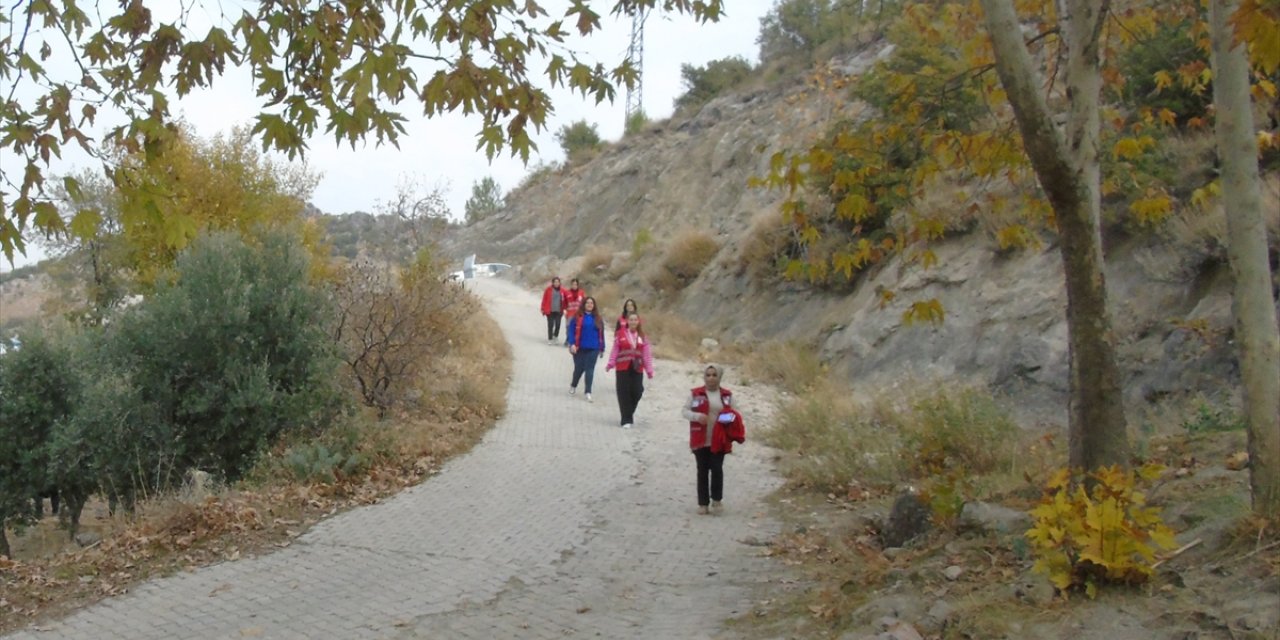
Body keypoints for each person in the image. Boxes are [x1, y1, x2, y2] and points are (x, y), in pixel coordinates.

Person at [681, 365, 746, 515]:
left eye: (714, 375)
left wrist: (720, 421)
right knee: (702, 470)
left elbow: (736, 414)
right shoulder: (695, 394)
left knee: (717, 469)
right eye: (708, 375)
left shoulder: (727, 396)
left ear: (719, 377)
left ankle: (717, 500)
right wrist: (697, 417)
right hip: (700, 439)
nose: (711, 378)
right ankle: (703, 503)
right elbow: (684, 411)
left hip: (719, 440)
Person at [604, 312, 654, 429]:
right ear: (627, 322)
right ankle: (626, 419)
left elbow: (646, 354)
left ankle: (628, 412)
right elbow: (615, 350)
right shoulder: (620, 334)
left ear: (638, 322)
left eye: (635, 320)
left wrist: (649, 370)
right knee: (623, 392)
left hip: (637, 367)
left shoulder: (642, 336)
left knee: (637, 391)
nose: (633, 322)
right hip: (623, 367)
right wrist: (610, 364)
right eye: (631, 320)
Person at [566, 296, 605, 402]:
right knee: (578, 369)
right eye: (587, 303)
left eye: (591, 303)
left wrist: (602, 348)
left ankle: (588, 391)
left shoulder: (598, 318)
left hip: (593, 348)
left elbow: (601, 334)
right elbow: (571, 331)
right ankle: (573, 385)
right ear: (584, 304)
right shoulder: (577, 316)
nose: (589, 305)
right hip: (579, 347)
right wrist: (572, 343)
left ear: (594, 305)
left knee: (590, 369)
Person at [539, 277, 565, 344]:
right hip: (550, 310)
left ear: (559, 283)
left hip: (559, 311)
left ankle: (555, 337)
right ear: (553, 283)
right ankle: (550, 339)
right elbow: (544, 299)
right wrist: (542, 308)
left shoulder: (563, 291)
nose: (556, 283)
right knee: (550, 325)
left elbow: (566, 299)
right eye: (555, 282)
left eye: (558, 282)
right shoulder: (548, 290)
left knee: (558, 324)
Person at [562, 278, 585, 345]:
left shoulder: (581, 292)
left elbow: (584, 302)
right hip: (570, 313)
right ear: (571, 285)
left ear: (578, 285)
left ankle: (575, 340)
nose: (574, 286)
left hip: (579, 313)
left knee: (577, 327)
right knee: (569, 327)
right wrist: (564, 309)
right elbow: (564, 302)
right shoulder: (567, 292)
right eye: (573, 284)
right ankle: (568, 339)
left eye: (575, 284)